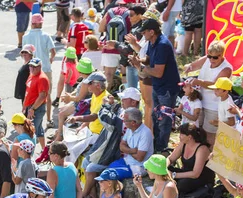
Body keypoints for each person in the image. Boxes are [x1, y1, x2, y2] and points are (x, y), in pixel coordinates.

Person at [129, 18, 180, 151]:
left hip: (167, 88)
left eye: (144, 32)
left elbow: (157, 72)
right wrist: (139, 60)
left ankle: (161, 150)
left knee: (163, 121)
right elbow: (149, 59)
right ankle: (157, 146)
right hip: (159, 87)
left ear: (152, 32)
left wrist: (139, 66)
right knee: (155, 117)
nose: (142, 35)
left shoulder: (162, 45)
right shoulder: (152, 42)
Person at [183, 41, 232, 144]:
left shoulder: (227, 69)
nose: (211, 60)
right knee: (196, 130)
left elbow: (216, 85)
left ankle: (207, 156)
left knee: (209, 135)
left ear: (222, 55)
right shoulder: (207, 59)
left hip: (214, 106)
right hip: (200, 102)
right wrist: (188, 67)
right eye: (209, 56)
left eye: (215, 57)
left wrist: (199, 82)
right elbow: (194, 66)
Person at [22, 13, 55, 127]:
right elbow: (53, 52)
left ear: (32, 23)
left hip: (30, 68)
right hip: (44, 67)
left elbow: (24, 54)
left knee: (30, 92)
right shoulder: (46, 36)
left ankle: (28, 116)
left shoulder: (25, 36)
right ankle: (49, 119)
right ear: (41, 23)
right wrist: (49, 60)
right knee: (47, 94)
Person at [167, 123, 215, 197]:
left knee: (181, 185)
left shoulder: (202, 149)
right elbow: (170, 158)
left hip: (200, 178)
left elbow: (195, 174)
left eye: (182, 134)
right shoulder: (183, 143)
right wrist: (164, 167)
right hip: (186, 173)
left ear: (189, 137)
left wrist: (173, 175)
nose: (179, 136)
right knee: (163, 171)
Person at [98, 1, 130, 91]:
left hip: (109, 47)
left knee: (108, 74)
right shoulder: (130, 13)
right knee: (125, 74)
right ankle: (125, 98)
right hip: (124, 47)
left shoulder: (110, 12)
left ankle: (104, 98)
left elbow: (100, 28)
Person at [22, 57, 49, 151]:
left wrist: (32, 109)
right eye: (30, 66)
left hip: (37, 108)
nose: (32, 68)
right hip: (31, 107)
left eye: (34, 67)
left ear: (40, 67)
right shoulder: (32, 74)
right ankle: (44, 149)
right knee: (39, 129)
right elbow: (28, 91)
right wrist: (25, 105)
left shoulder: (42, 79)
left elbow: (42, 96)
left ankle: (29, 153)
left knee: (30, 131)